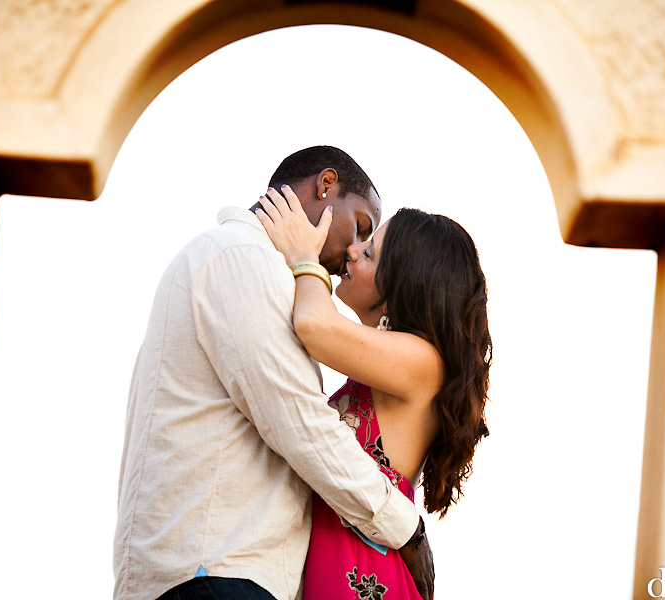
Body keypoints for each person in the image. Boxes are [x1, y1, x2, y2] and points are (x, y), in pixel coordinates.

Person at [113, 146, 433, 600]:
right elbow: (300, 424)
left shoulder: (234, 260)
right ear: (326, 186)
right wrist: (406, 529)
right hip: (217, 576)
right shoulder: (241, 258)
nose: (352, 252)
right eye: (360, 225)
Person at [256, 186, 491, 600]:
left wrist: (303, 256)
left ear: (402, 287)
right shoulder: (390, 368)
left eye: (369, 254)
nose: (350, 251)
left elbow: (313, 324)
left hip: (365, 575)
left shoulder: (423, 362)